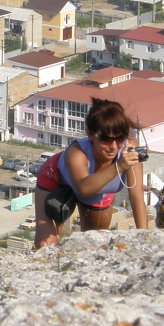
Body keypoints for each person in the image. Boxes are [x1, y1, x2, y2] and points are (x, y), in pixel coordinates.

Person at [34, 98, 148, 249]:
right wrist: (119, 166)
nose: (113, 147)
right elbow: (83, 189)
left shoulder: (129, 148)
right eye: (105, 139)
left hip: (97, 190)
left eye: (119, 138)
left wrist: (146, 239)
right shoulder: (76, 152)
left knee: (95, 245)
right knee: (46, 244)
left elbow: (136, 196)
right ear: (90, 134)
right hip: (57, 180)